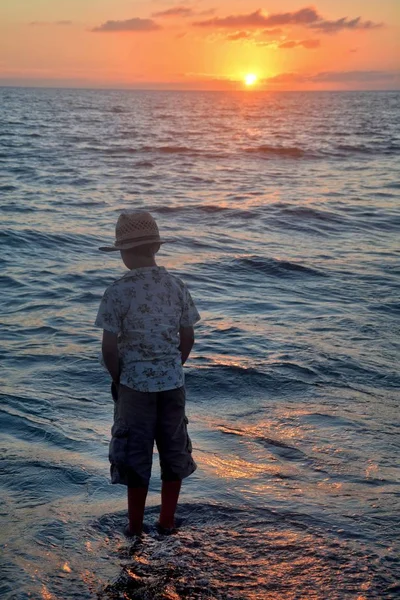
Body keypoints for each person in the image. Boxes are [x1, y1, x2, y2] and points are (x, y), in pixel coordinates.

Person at [95, 210, 200, 536]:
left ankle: (135, 527)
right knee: (173, 450)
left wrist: (118, 377)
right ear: (155, 248)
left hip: (134, 387)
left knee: (135, 455)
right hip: (172, 384)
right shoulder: (176, 286)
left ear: (125, 254)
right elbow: (188, 337)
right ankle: (167, 521)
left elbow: (109, 348)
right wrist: (172, 366)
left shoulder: (117, 291)